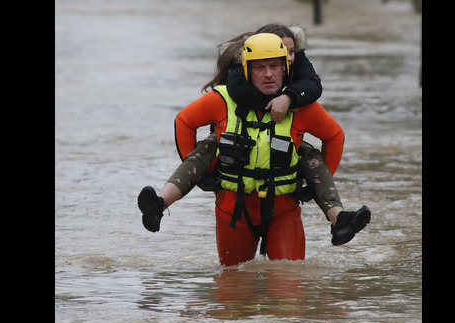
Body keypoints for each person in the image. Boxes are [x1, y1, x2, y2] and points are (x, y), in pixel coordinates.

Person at [138, 32, 371, 266]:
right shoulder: (223, 99)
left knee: (288, 289)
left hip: (283, 210)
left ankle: (338, 216)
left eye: (274, 66)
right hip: (232, 209)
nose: (268, 74)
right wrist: (206, 177)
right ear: (247, 70)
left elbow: (334, 136)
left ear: (286, 68)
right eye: (259, 68)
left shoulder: (302, 106)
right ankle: (160, 203)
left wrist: (310, 188)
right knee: (234, 291)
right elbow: (184, 121)